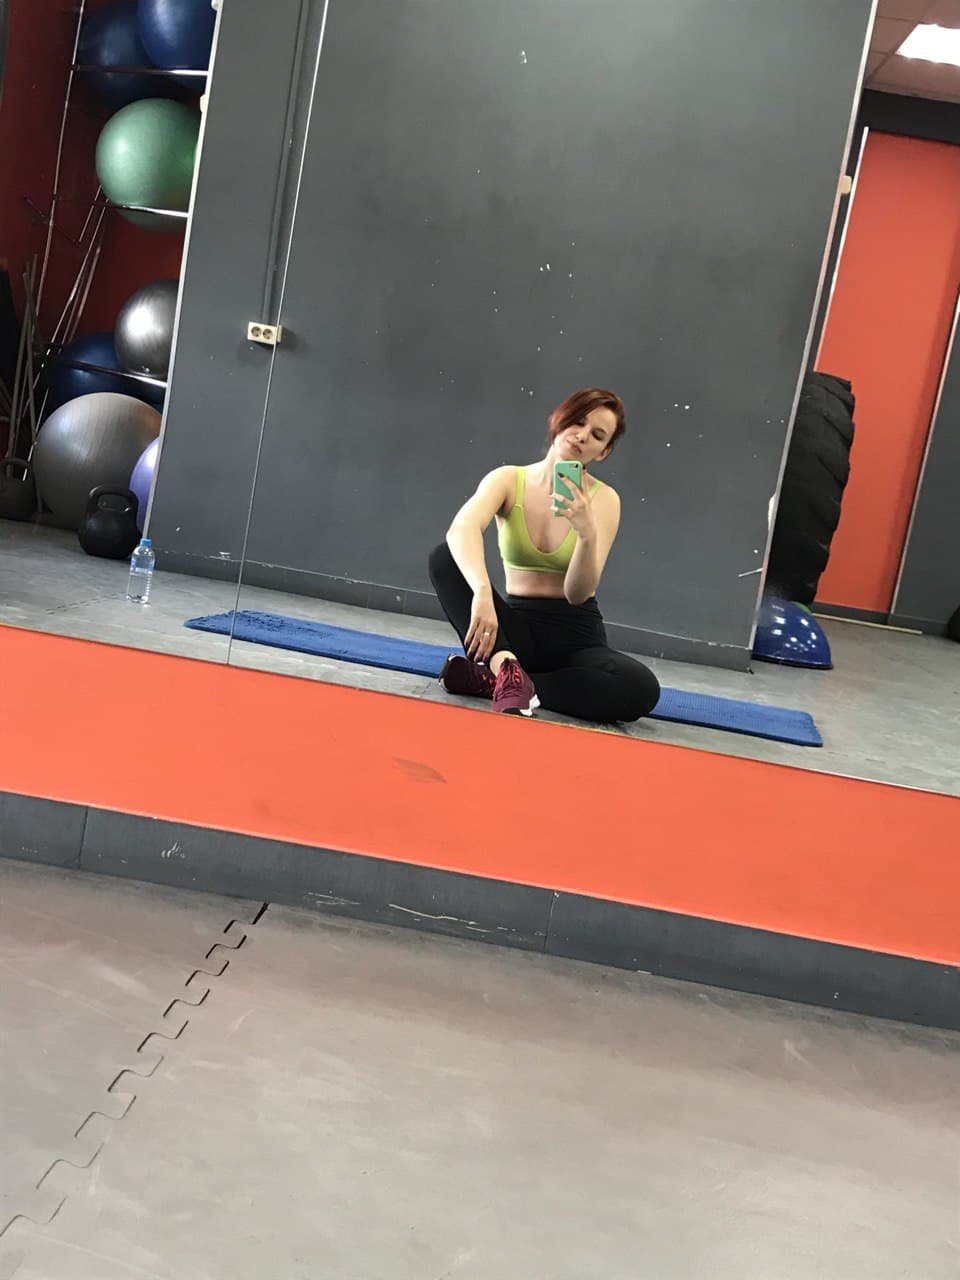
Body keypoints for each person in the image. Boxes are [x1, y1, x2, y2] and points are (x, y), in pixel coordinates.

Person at [428, 387, 660, 722]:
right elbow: (461, 529)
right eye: (578, 421)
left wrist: (586, 533)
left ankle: (499, 681)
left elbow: (578, 593)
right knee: (444, 558)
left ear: (603, 452)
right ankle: (506, 668)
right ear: (559, 420)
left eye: (597, 435)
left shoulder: (605, 500)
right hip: (514, 632)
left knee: (639, 688)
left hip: (576, 638)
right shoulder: (509, 479)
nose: (582, 436)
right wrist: (482, 592)